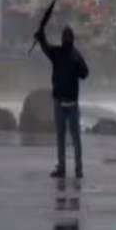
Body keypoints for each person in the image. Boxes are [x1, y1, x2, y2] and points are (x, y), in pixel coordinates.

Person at [35, 25, 89, 178]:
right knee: (66, 137)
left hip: (69, 104)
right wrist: (41, 37)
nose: (66, 39)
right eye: (65, 37)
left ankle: (75, 169)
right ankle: (65, 168)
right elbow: (46, 48)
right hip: (61, 102)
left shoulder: (71, 55)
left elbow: (85, 73)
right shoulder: (62, 53)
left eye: (67, 37)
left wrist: (41, 38)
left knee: (71, 138)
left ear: (70, 39)